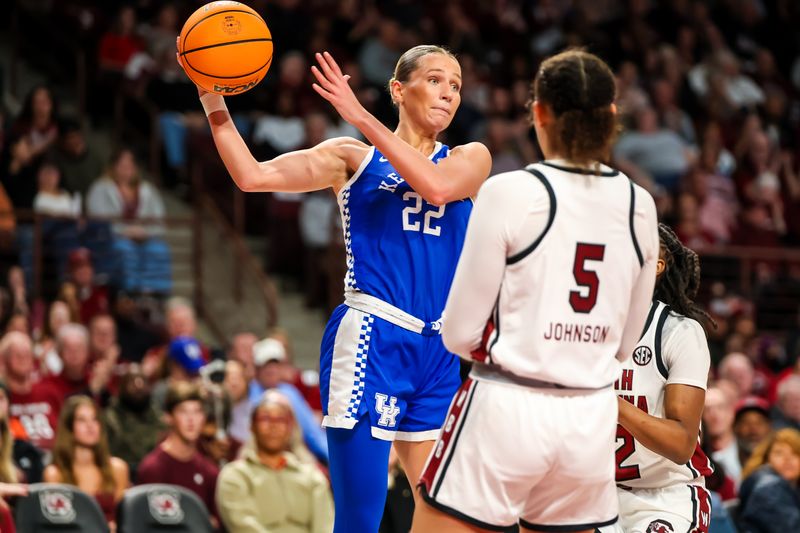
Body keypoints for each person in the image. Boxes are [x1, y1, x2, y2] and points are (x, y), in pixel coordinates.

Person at [178, 43, 491, 533]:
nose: (448, 93)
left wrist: (358, 114)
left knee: (450, 511)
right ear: (398, 89)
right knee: (361, 518)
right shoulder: (351, 158)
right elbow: (251, 176)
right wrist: (211, 99)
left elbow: (436, 188)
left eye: (455, 85)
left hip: (438, 351)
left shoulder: (471, 157)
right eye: (434, 79)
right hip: (374, 337)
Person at [414, 50, 659, 532]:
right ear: (611, 116)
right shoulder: (641, 205)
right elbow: (627, 344)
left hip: (508, 404)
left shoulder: (510, 192)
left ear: (539, 113)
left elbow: (458, 333)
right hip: (589, 417)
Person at [595, 224, 714, 533]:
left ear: (657, 265)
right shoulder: (579, 325)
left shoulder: (679, 333)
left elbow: (681, 445)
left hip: (664, 496)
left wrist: (610, 402)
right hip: (595, 492)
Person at [216, 390, 334, 532]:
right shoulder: (235, 475)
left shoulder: (312, 477)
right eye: (265, 419)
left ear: (290, 428)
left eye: (280, 420)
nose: (273, 426)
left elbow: (326, 526)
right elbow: (243, 526)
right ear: (252, 426)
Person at [136, 381, 220, 526]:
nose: (191, 420)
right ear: (169, 417)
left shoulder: (210, 471)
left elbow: (217, 522)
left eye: (197, 411)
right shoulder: (153, 468)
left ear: (203, 418)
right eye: (183, 411)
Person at [44, 395, 130, 527]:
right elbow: (55, 525)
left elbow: (124, 521)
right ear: (69, 427)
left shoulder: (117, 468)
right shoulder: (55, 474)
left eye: (94, 419)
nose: (90, 426)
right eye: (82, 420)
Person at [738, 428, 800, 532]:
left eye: (795, 453)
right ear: (766, 460)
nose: (788, 458)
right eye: (779, 453)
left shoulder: (793, 487)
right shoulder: (767, 490)